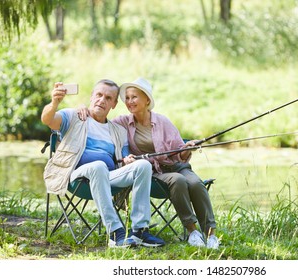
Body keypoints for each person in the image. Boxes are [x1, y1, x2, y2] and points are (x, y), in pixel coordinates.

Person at [41, 79, 165, 248]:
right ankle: (115, 232)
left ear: (113, 104)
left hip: (108, 177)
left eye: (108, 98)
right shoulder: (74, 116)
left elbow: (124, 160)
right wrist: (55, 102)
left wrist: (128, 160)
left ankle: (140, 231)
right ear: (92, 96)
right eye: (99, 95)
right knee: (98, 165)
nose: (102, 100)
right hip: (75, 177)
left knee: (143, 165)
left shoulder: (118, 131)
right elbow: (47, 119)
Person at [113, 77, 220, 249]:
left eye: (134, 97)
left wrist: (188, 147)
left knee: (195, 183)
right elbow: (101, 122)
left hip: (175, 166)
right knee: (178, 180)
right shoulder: (122, 122)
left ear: (147, 100)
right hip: (153, 173)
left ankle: (211, 235)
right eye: (127, 97)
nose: (129, 101)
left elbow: (179, 151)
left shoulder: (162, 121)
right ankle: (192, 231)